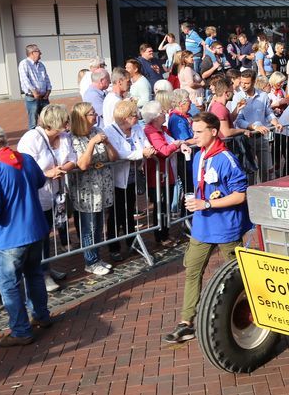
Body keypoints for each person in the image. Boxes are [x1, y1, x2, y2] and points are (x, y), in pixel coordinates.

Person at [163, 111, 251, 344]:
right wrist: (197, 203)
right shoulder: (199, 154)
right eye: (193, 131)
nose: (195, 136)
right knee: (192, 269)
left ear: (213, 132)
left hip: (225, 226)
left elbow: (240, 196)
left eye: (199, 132)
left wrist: (208, 203)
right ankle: (186, 323)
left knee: (238, 274)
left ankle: (250, 310)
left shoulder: (227, 159)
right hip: (203, 225)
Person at [0, 122, 53, 347]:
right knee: (34, 274)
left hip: (11, 236)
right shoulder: (25, 159)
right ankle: (41, 315)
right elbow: (40, 181)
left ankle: (20, 330)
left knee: (9, 285)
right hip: (36, 228)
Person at [16, 104, 77, 292]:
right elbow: (25, 167)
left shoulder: (64, 137)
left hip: (56, 194)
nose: (68, 124)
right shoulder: (32, 138)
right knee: (38, 237)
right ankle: (40, 274)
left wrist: (62, 169)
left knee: (47, 233)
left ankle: (46, 268)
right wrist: (47, 173)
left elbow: (73, 158)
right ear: (55, 122)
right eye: (65, 120)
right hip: (36, 196)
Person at [104, 100, 156, 262]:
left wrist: (147, 150)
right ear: (125, 117)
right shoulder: (109, 131)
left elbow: (145, 144)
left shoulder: (137, 128)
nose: (137, 117)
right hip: (117, 178)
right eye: (134, 115)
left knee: (129, 210)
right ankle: (114, 247)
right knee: (115, 213)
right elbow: (119, 153)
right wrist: (141, 153)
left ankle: (131, 241)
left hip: (133, 176)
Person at [69, 102, 117, 276]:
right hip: (86, 190)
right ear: (82, 117)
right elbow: (82, 164)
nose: (95, 116)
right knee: (88, 227)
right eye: (91, 113)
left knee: (98, 225)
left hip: (102, 187)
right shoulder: (73, 138)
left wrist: (108, 143)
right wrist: (91, 144)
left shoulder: (97, 131)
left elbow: (113, 157)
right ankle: (90, 261)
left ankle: (96, 257)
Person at [142, 100, 183, 248]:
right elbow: (163, 151)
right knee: (161, 207)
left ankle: (165, 233)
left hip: (167, 172)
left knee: (166, 205)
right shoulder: (150, 131)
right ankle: (161, 236)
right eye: (161, 112)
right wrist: (176, 145)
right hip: (158, 175)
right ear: (154, 117)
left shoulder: (163, 129)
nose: (165, 114)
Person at [18, 44, 52, 129]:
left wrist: (48, 91)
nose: (41, 53)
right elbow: (25, 80)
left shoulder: (41, 65)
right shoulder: (24, 64)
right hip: (32, 98)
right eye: (38, 51)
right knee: (33, 122)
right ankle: (33, 136)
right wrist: (34, 92)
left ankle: (46, 136)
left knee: (48, 120)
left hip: (44, 98)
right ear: (32, 53)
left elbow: (46, 78)